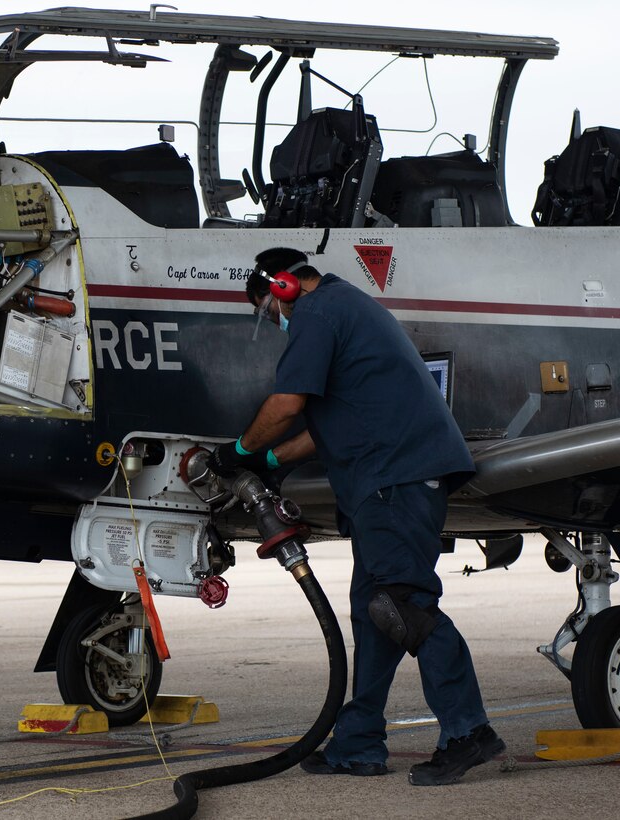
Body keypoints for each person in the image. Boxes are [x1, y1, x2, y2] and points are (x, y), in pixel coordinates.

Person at [207, 246, 504, 786]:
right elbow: (326, 426)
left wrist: (234, 452)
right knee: (375, 613)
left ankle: (468, 731)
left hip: (395, 477)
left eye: (269, 310)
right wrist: (269, 461)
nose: (275, 321)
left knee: (403, 603)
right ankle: (358, 743)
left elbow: (287, 404)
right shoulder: (347, 307)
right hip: (385, 480)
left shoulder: (317, 314)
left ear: (282, 289)